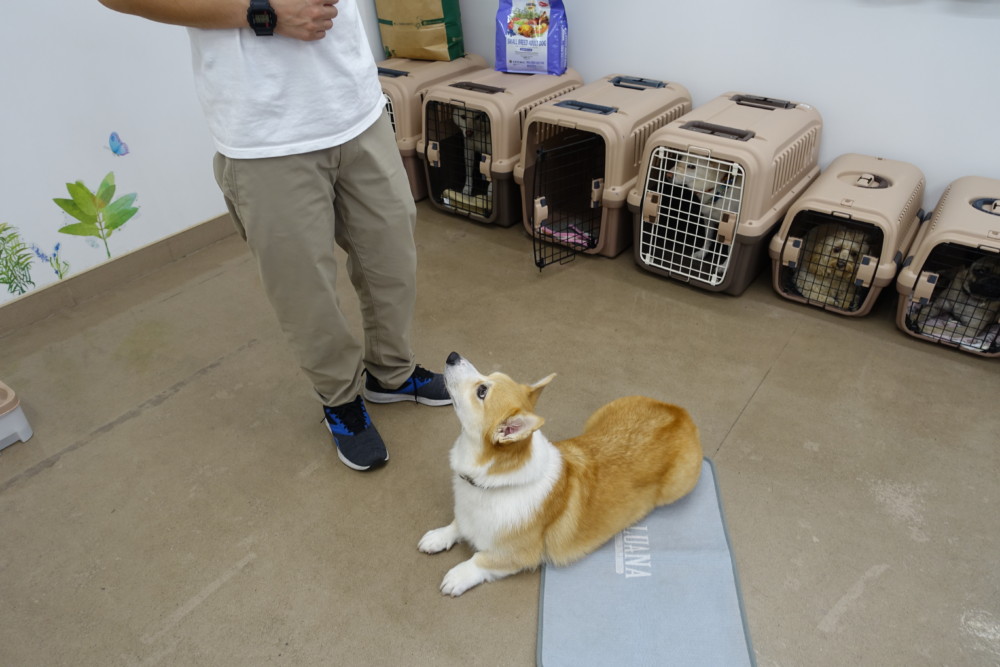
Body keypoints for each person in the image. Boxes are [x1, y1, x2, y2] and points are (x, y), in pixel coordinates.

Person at [98, 0, 450, 471]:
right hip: (264, 135)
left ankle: (391, 373)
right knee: (304, 292)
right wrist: (261, 13)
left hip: (355, 105)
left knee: (392, 257)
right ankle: (340, 400)